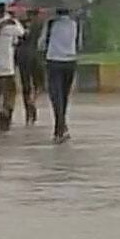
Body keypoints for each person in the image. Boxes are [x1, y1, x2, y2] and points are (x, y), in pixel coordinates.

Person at [39, 9, 80, 144]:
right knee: (64, 96)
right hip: (70, 62)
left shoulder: (51, 23)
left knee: (56, 97)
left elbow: (41, 43)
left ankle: (59, 129)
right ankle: (62, 127)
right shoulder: (75, 23)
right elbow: (79, 44)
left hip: (54, 62)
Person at [0, 3, 25, 132]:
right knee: (10, 94)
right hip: (7, 67)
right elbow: (21, 33)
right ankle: (7, 118)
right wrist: (13, 20)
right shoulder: (11, 25)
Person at [16, 9, 45, 125]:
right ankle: (33, 100)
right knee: (40, 84)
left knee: (26, 85)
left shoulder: (19, 24)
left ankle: (28, 112)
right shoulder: (41, 24)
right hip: (36, 55)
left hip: (22, 55)